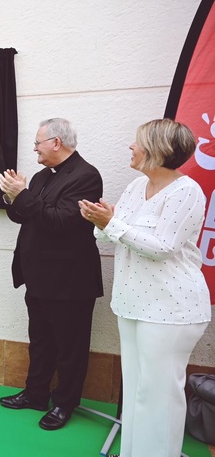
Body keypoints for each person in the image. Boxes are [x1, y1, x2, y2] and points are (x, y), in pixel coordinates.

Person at [79, 119, 211, 457]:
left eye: (137, 142)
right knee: (138, 391)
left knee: (159, 396)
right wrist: (103, 222)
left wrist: (113, 224)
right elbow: (108, 235)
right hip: (133, 305)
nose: (131, 148)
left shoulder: (186, 191)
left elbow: (162, 246)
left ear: (159, 150)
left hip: (171, 308)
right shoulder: (135, 187)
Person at [0, 118, 103, 430]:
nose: (34, 148)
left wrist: (23, 194)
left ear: (56, 142)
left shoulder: (86, 176)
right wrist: (11, 196)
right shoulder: (44, 176)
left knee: (70, 347)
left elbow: (60, 222)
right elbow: (24, 216)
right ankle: (35, 394)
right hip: (39, 276)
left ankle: (65, 404)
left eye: (38, 142)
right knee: (40, 341)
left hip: (70, 281)